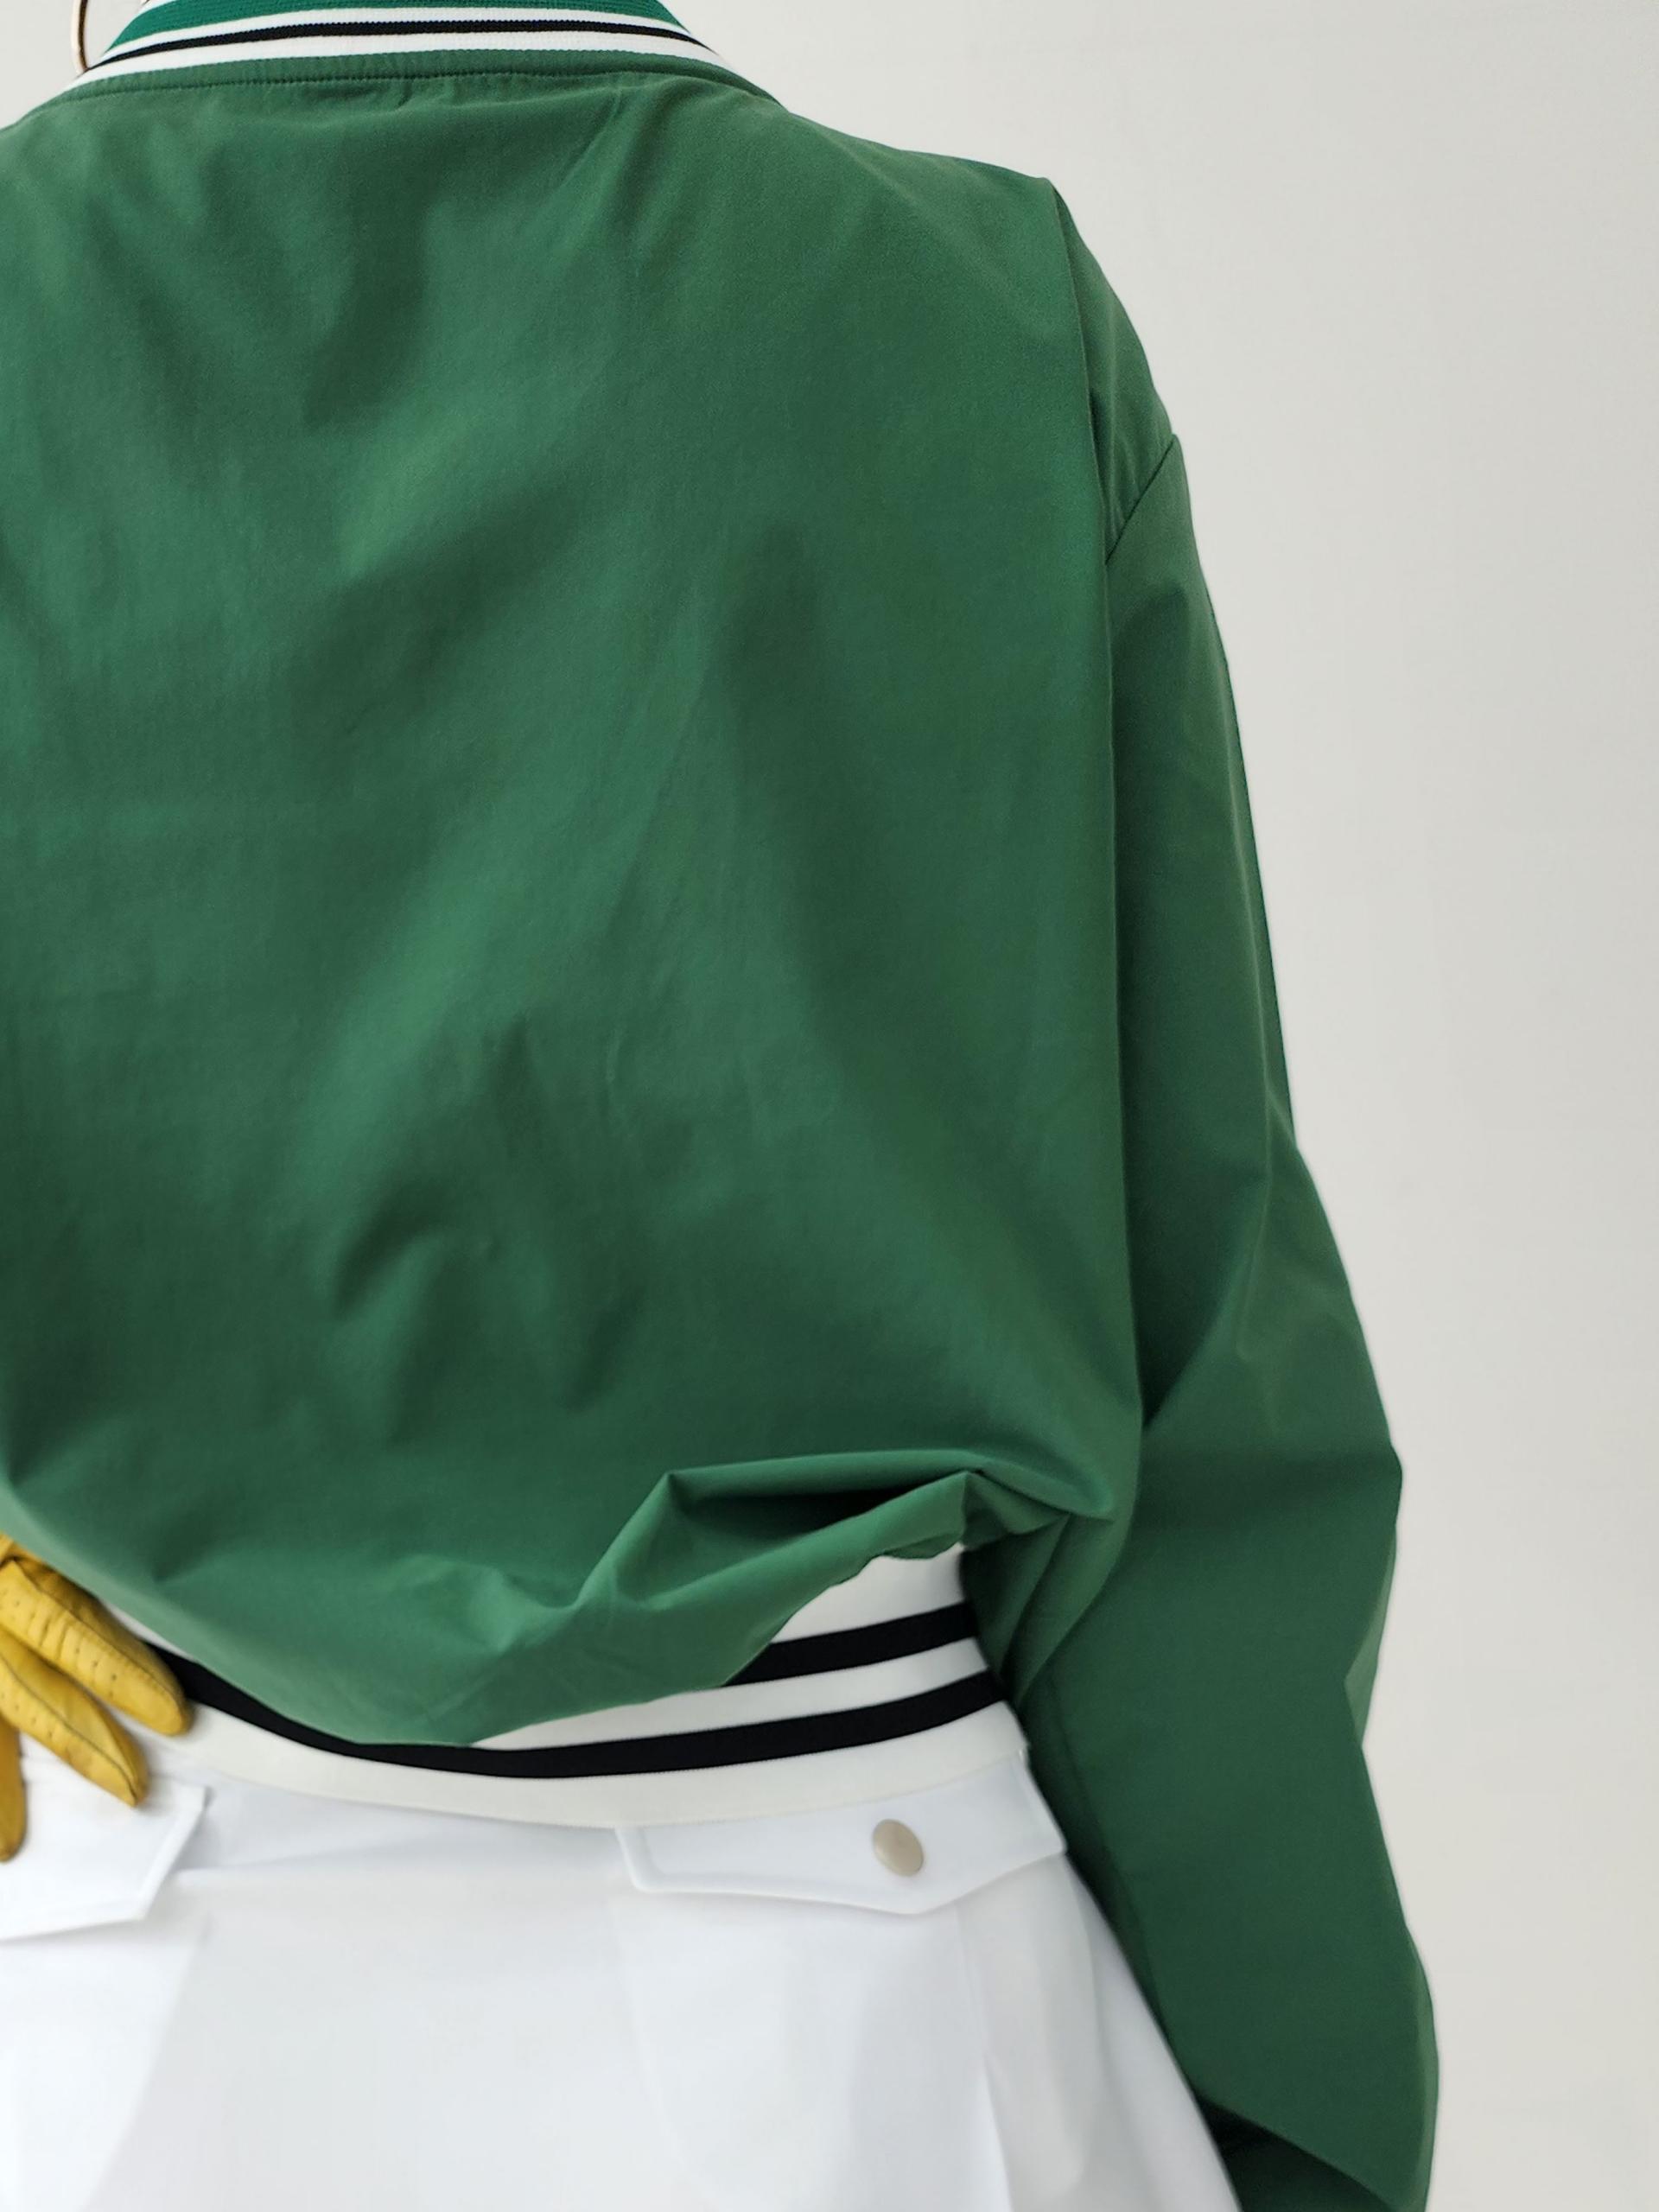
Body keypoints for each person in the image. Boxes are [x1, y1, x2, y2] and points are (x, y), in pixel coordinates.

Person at [0, 2, 1437, 2207]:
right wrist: (1290, 2109)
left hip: (99, 1956)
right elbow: (1204, 1324)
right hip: (871, 1971)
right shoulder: (984, 308)